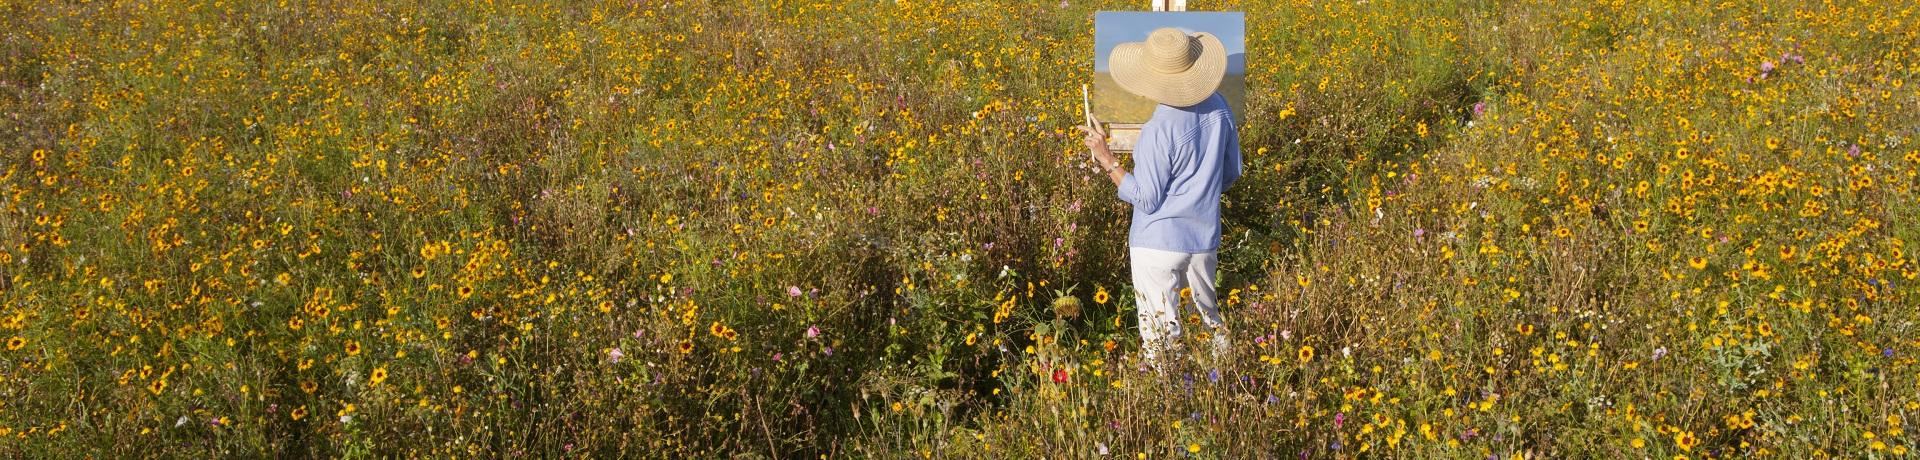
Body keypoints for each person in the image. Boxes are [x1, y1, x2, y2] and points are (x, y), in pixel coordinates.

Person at [1079, 27, 1241, 363]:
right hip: (1204, 239)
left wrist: (1107, 159)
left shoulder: (1157, 130)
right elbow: (1231, 173)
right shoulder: (1221, 107)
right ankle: (1225, 382)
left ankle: (1169, 402)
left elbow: (1147, 198)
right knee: (1211, 323)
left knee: (1161, 336)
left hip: (1156, 244)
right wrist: (1200, 193)